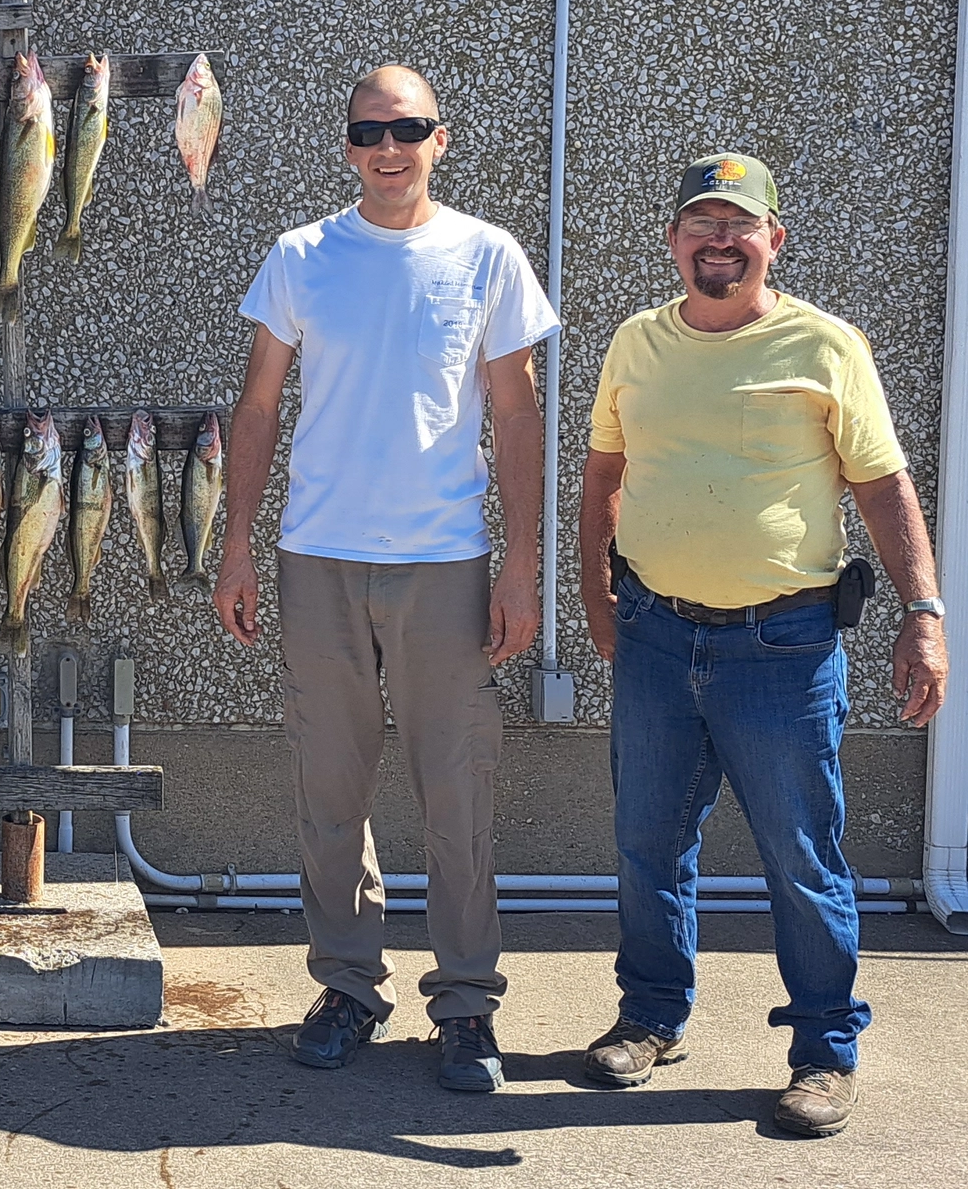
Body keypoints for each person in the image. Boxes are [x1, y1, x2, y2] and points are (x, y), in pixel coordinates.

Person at [576, 153, 946, 1137]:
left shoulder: (826, 347)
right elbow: (603, 472)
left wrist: (925, 611)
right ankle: (652, 1018)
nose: (719, 239)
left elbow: (882, 486)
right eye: (700, 222)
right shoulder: (637, 343)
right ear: (673, 240)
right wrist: (595, 595)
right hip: (657, 635)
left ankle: (825, 1050)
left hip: (783, 647)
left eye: (740, 224)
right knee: (649, 842)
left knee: (801, 854)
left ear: (773, 240)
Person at [212, 64, 559, 1092]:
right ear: (349, 143)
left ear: (440, 139)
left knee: (458, 793)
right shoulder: (301, 257)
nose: (389, 146)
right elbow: (260, 407)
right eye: (370, 130)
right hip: (317, 557)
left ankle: (464, 1004)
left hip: (445, 562)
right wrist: (237, 542)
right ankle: (350, 985)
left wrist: (522, 569)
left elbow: (516, 416)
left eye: (408, 127)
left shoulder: (487, 255)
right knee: (330, 787)